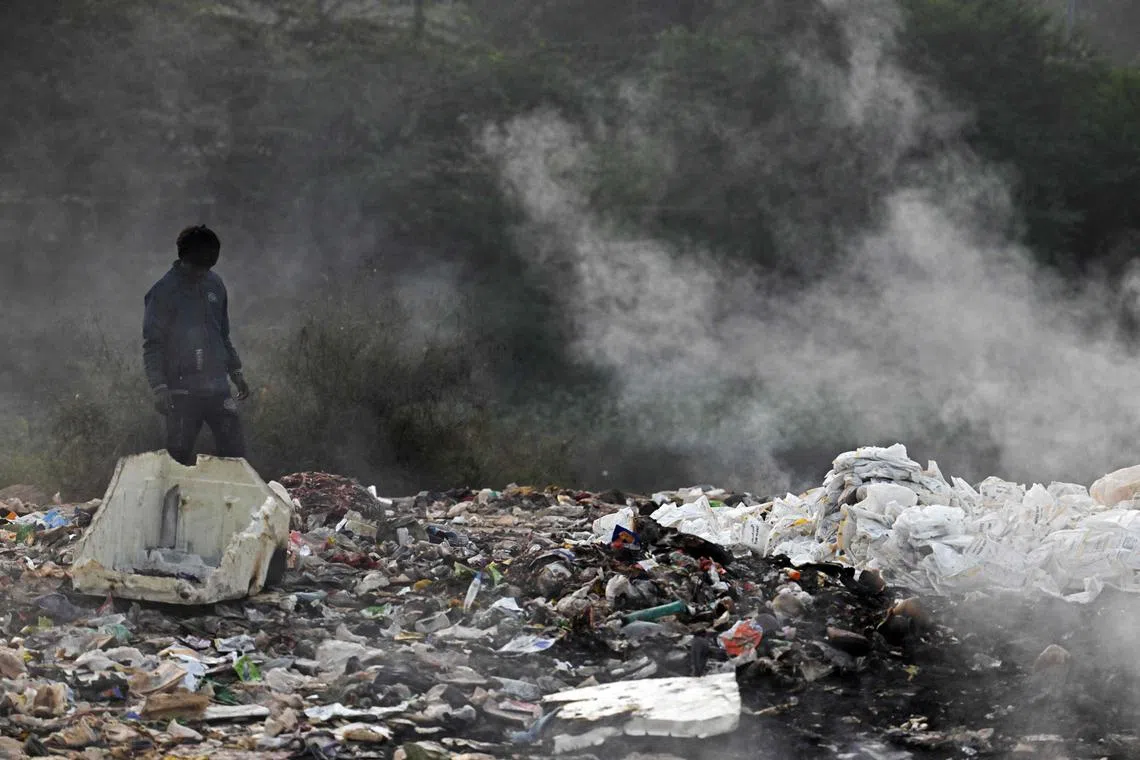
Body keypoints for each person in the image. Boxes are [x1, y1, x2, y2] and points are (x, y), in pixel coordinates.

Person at [143, 225, 251, 465]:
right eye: (197, 267)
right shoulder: (162, 293)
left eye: (208, 268)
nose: (202, 273)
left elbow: (222, 333)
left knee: (236, 454)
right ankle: (174, 502)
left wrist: (236, 371)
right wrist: (159, 387)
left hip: (217, 388)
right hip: (181, 392)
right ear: (184, 259)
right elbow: (153, 344)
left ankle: (231, 501)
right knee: (178, 458)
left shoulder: (215, 285)